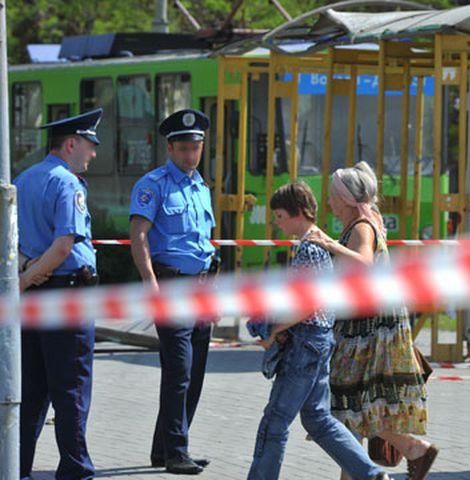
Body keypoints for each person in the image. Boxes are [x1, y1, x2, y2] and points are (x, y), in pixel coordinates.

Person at [247, 181, 389, 480]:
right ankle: (371, 474)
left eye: (280, 217)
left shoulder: (310, 248)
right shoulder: (317, 244)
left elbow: (306, 305)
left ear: (298, 213)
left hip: (305, 344)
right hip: (319, 341)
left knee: (274, 423)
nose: (277, 223)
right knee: (317, 418)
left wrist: (273, 330)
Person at [307, 162, 437, 480]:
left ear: (346, 199)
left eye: (333, 196)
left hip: (366, 330)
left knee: (350, 404)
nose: (329, 203)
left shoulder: (362, 227)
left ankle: (413, 449)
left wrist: (328, 244)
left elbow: (363, 263)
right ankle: (411, 451)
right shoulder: (362, 224)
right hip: (362, 325)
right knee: (355, 407)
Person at [16, 109, 103, 480]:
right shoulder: (67, 184)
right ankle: (75, 468)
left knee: (33, 388)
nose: (93, 154)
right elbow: (64, 245)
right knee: (72, 388)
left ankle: (15, 465)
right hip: (66, 297)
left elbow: (12, 240)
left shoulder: (22, 180)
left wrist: (24, 276)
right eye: (89, 145)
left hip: (33, 299)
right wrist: (30, 277)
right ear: (71, 144)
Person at [129, 109, 216, 475]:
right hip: (172, 285)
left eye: (195, 147)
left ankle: (165, 449)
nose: (189, 155)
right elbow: (139, 236)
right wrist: (150, 284)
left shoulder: (201, 188)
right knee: (178, 370)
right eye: (182, 148)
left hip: (201, 286)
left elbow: (204, 241)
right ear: (169, 147)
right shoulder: (153, 184)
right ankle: (176, 451)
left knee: (193, 373)